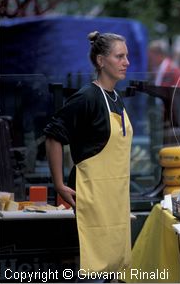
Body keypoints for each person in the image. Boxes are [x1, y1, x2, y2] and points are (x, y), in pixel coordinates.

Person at [44, 32, 133, 276]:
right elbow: (53, 136)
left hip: (115, 201)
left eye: (127, 56)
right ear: (101, 61)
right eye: (120, 56)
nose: (126, 62)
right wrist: (59, 183)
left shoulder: (116, 97)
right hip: (91, 199)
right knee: (92, 272)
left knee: (114, 268)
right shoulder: (87, 97)